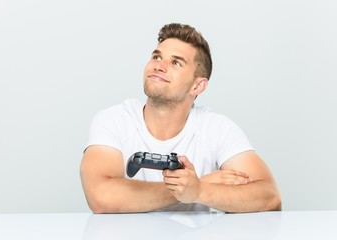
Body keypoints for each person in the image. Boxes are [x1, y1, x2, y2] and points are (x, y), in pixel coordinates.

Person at [80, 23, 281, 213]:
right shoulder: (113, 120)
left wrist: (200, 191)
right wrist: (187, 189)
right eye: (157, 57)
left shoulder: (217, 128)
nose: (159, 66)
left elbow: (270, 197)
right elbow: (100, 197)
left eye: (175, 62)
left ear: (197, 86)